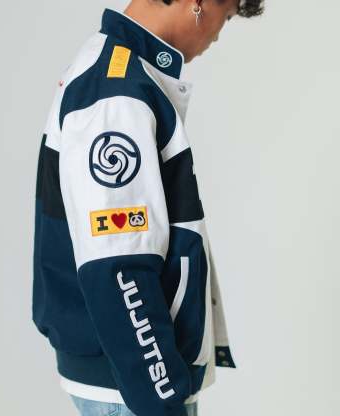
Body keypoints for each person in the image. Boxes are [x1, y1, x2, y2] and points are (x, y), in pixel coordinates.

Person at [32, 1, 264, 415]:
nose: (217, 35)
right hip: (133, 388)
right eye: (226, 16)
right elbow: (118, 268)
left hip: (129, 379)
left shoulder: (117, 71)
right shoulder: (116, 93)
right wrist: (161, 399)